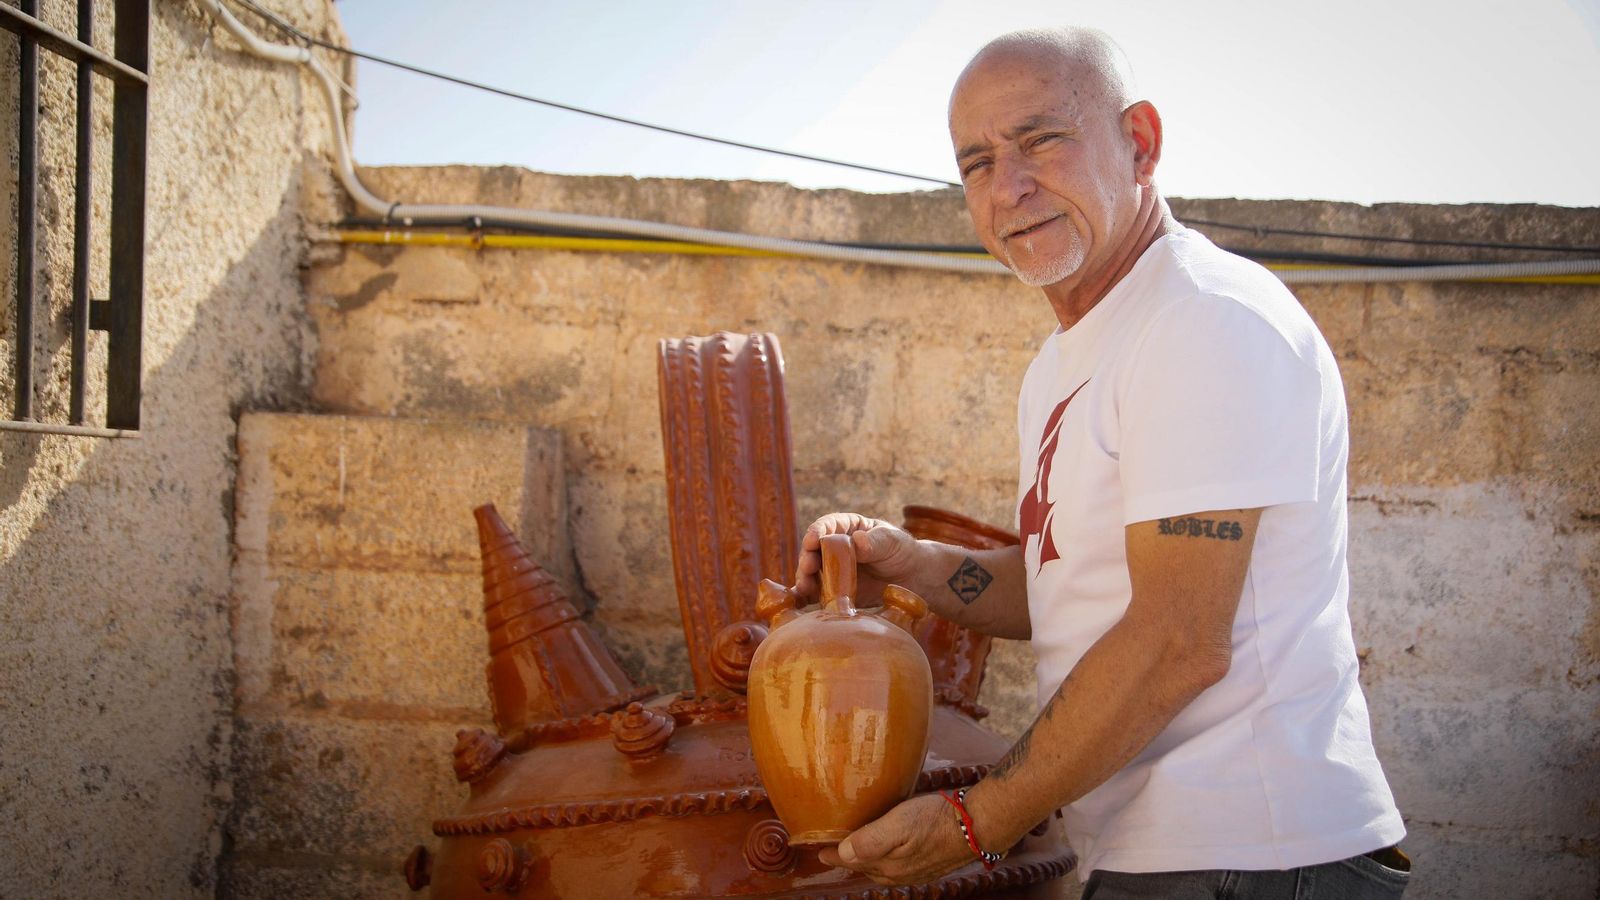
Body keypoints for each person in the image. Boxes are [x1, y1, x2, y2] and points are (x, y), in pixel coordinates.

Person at [792, 27, 1409, 898]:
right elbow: (1069, 587)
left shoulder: (1202, 320)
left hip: (1254, 854)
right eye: (976, 162)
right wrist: (916, 564)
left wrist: (976, 823)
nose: (1010, 186)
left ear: (1141, 144)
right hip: (1159, 859)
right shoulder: (1065, 360)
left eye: (1041, 139)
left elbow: (1176, 640)